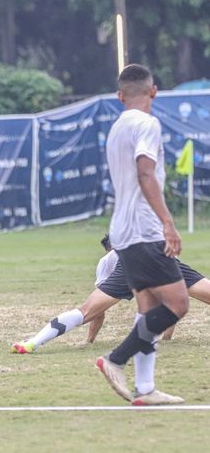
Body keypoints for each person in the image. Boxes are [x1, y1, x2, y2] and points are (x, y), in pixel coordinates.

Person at [96, 64, 189, 406]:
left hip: (122, 229)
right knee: (178, 304)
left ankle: (145, 388)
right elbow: (145, 173)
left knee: (147, 308)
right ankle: (115, 359)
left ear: (120, 96)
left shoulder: (117, 128)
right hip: (144, 229)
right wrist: (167, 222)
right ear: (153, 91)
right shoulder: (148, 123)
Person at [11, 234, 210, 354]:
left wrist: (90, 340)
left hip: (137, 259)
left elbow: (96, 312)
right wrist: (167, 337)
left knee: (84, 311)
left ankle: (32, 343)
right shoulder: (112, 257)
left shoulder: (110, 257)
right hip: (158, 255)